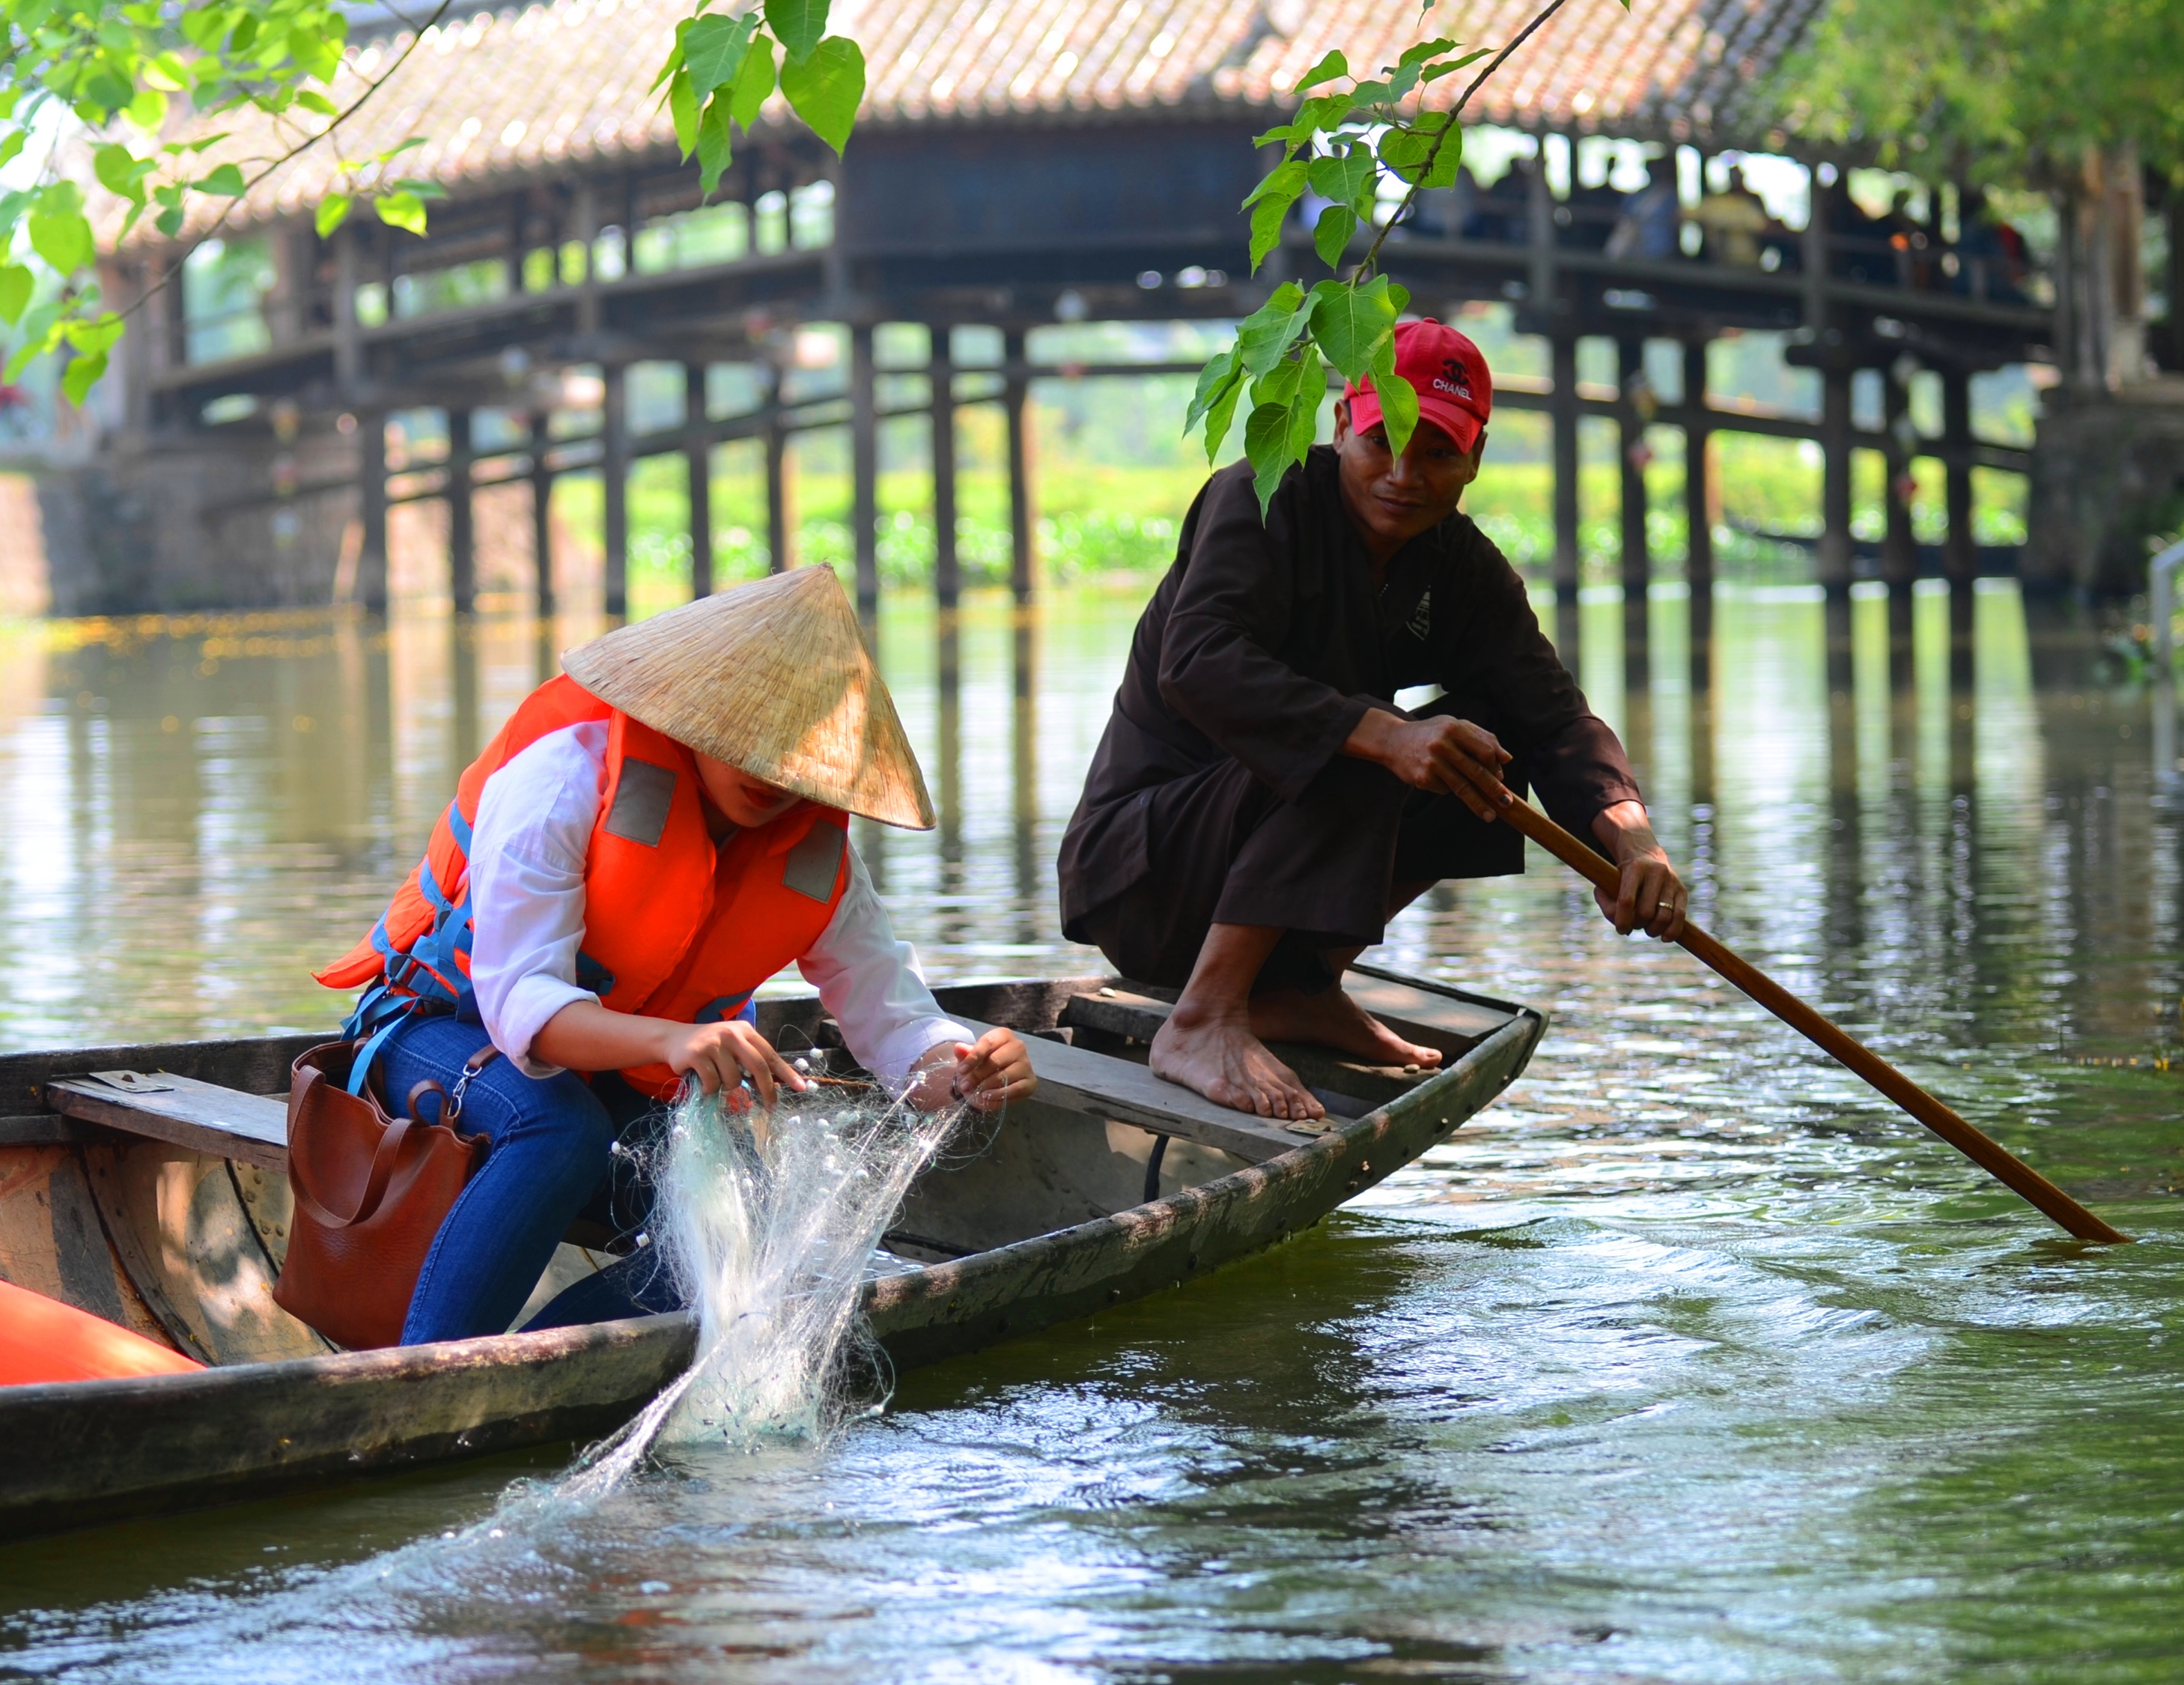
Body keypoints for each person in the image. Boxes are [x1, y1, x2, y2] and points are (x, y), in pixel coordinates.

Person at [315, 567, 1038, 1344]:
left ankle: (529, 1373)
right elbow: (522, 1004)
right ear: (691, 713)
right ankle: (428, 1373)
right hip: (439, 1030)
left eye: (797, 752)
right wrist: (674, 1040)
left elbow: (895, 1024)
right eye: (747, 737)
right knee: (558, 1131)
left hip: (617, 1075)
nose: (771, 772)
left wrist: (963, 1068)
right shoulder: (563, 776)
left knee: (745, 1231)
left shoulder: (818, 859)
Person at [1056, 320, 1687, 1123]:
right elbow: (1197, 662)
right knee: (1368, 737)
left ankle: (1299, 984)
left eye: (1437, 452)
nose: (1403, 476)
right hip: (1143, 879)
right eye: (1381, 441)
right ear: (1338, 427)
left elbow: (1552, 717)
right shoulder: (1261, 495)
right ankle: (1204, 1017)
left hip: (1249, 877)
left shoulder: (1459, 566)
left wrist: (1631, 840)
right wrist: (1386, 735)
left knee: (1485, 736)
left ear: (1474, 458)